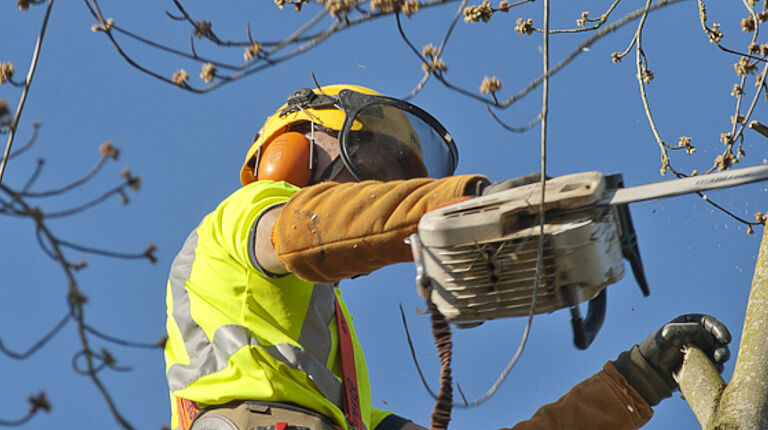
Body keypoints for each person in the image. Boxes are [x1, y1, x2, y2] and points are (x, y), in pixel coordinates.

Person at [164, 84, 732, 430]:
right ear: (292, 152)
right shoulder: (246, 217)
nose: (381, 190)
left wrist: (636, 381)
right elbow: (315, 228)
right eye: (374, 168)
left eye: (402, 183)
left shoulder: (342, 392)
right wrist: (465, 202)